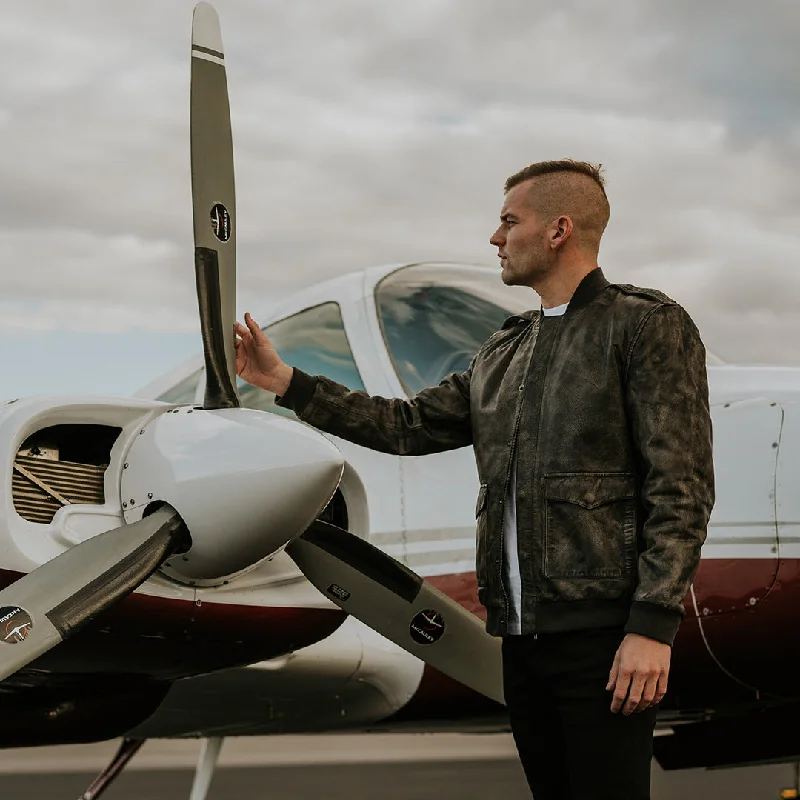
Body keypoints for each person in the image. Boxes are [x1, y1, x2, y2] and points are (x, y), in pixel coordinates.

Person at [234, 159, 715, 799]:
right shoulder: (503, 349)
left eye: (509, 221)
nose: (495, 238)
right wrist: (288, 384)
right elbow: (405, 426)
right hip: (519, 638)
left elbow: (680, 486)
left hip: (601, 639)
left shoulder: (646, 326)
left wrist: (651, 627)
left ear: (559, 230)